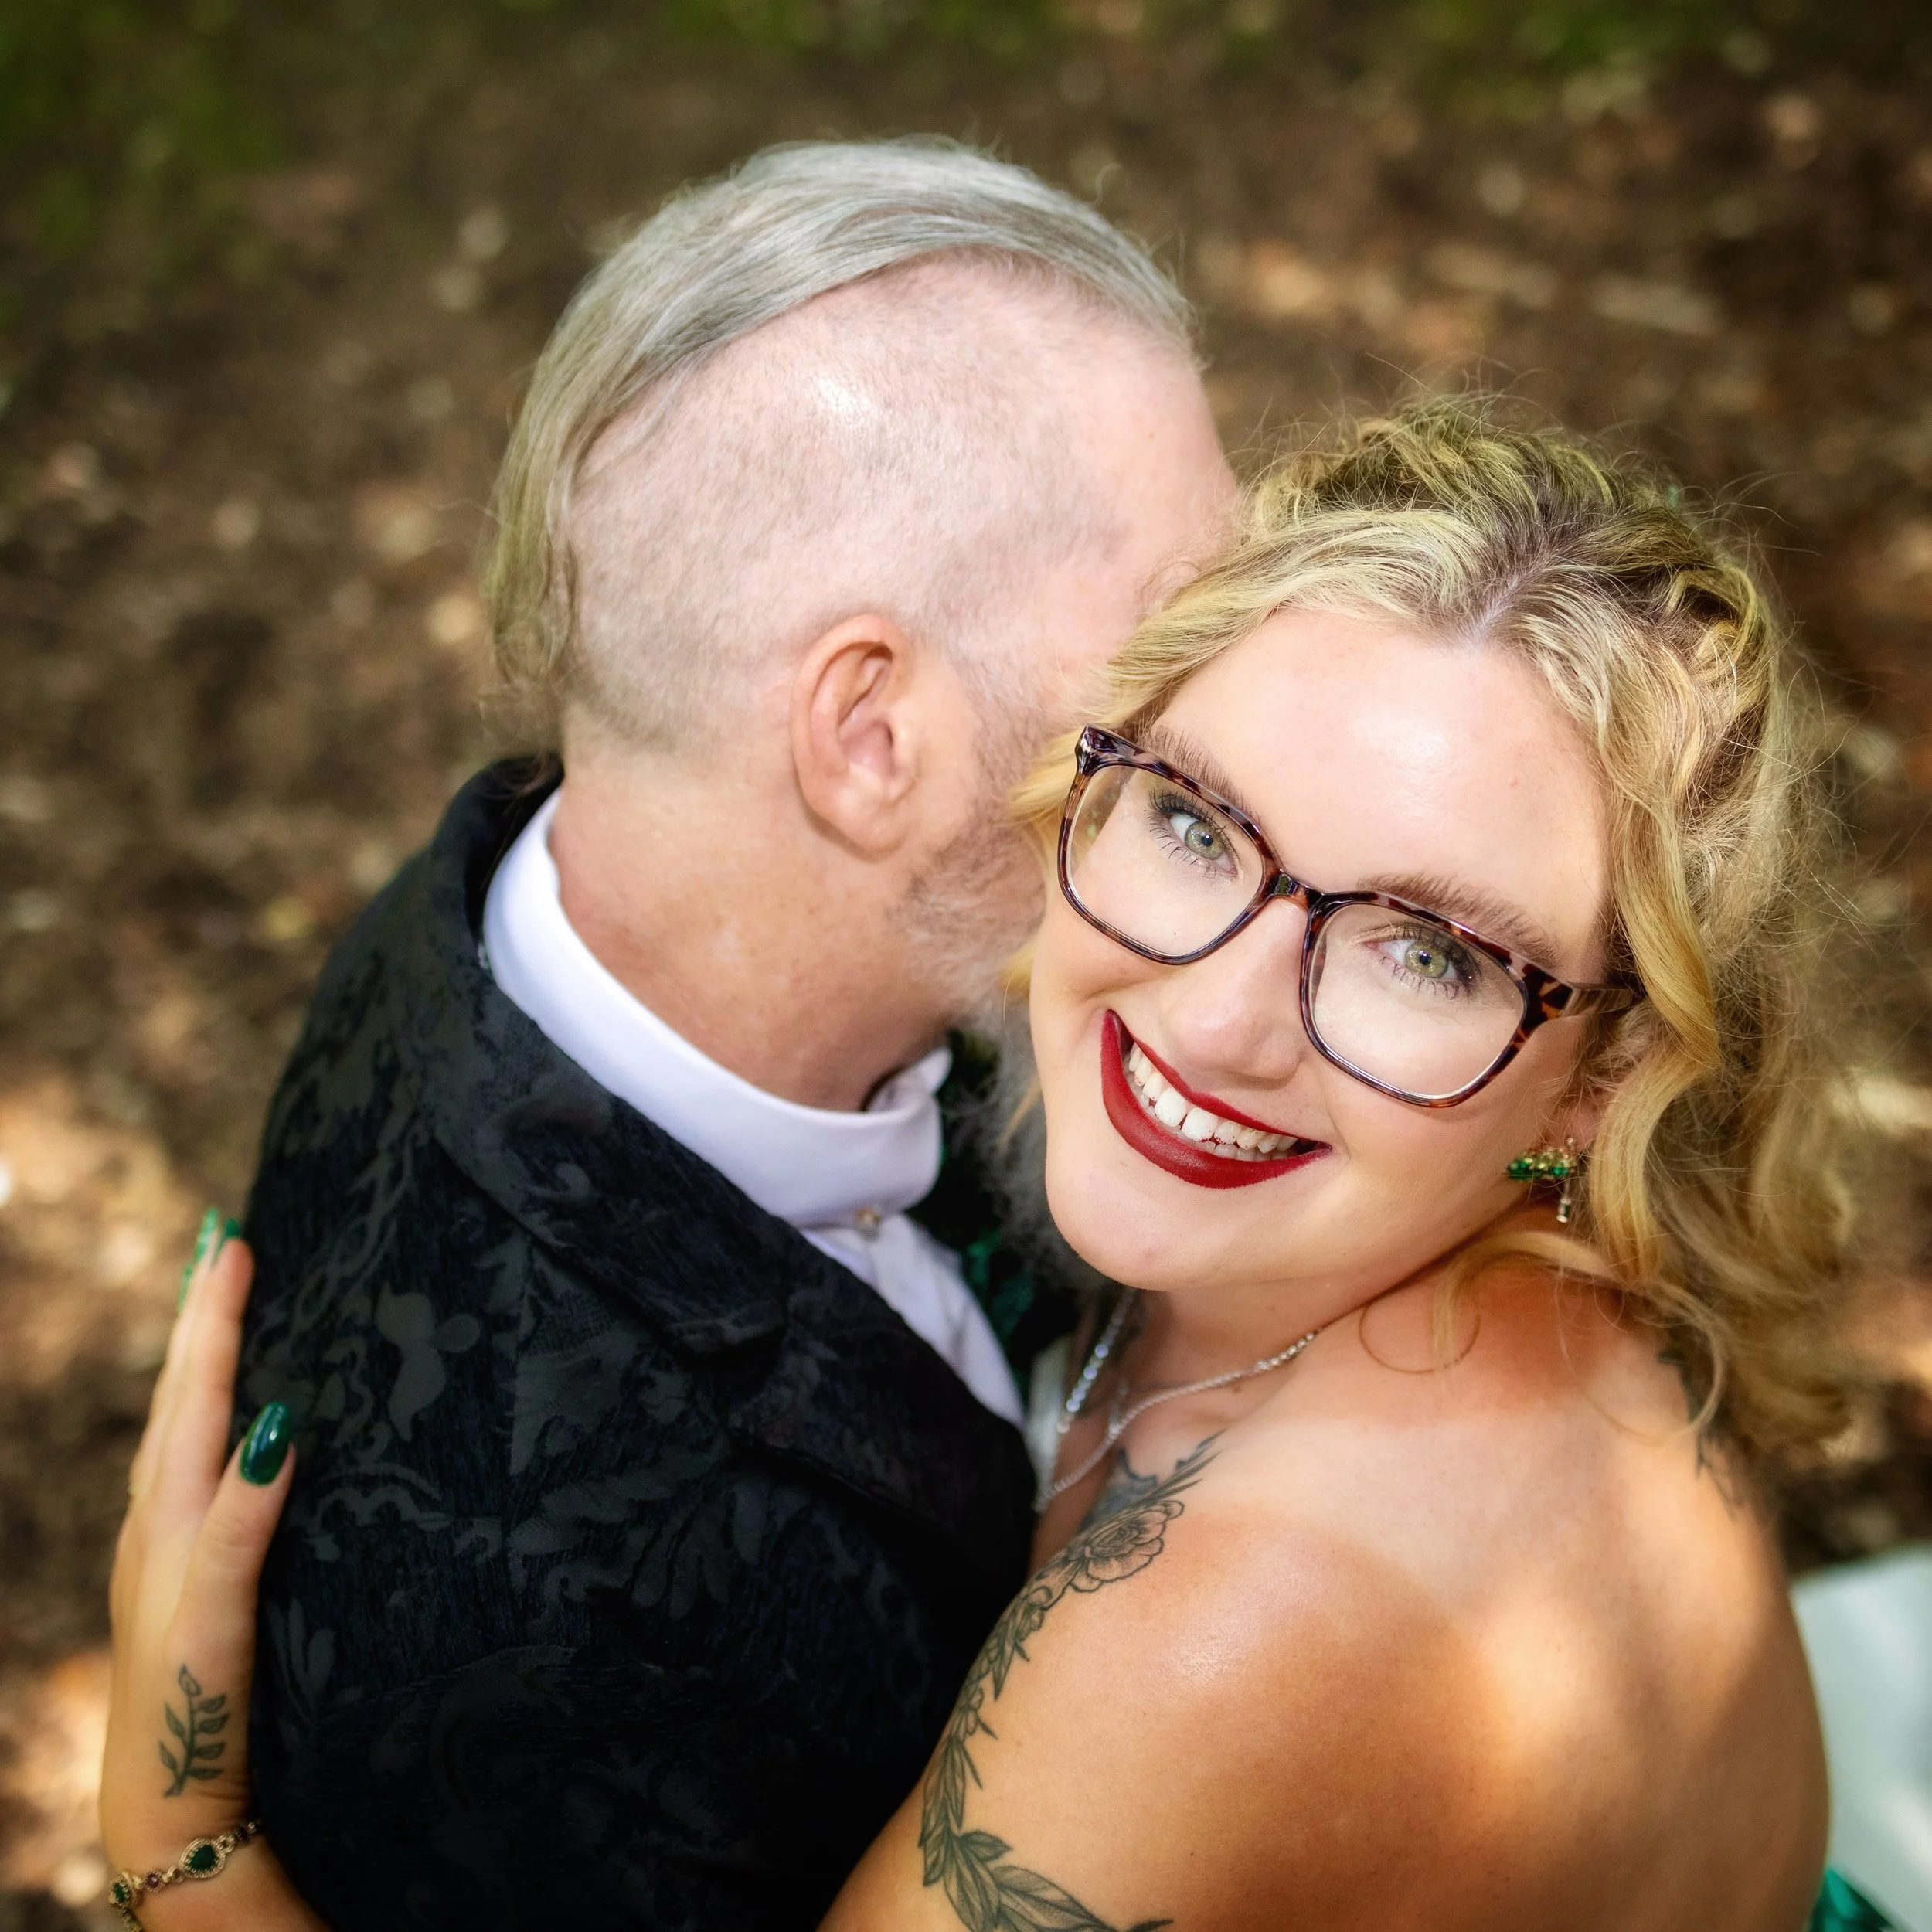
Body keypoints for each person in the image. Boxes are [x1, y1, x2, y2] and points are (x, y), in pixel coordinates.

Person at [103, 403, 1896, 1931]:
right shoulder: (1439, 1232)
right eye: (1196, 824)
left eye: (1425, 950)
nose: (1213, 1016)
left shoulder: (1222, 1634)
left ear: (1604, 1081)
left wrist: (174, 1843)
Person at [165, 137, 1236, 1931]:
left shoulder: (551, 875)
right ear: (870, 732)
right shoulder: (540, 1641)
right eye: (1172, 641)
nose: (1235, 700)